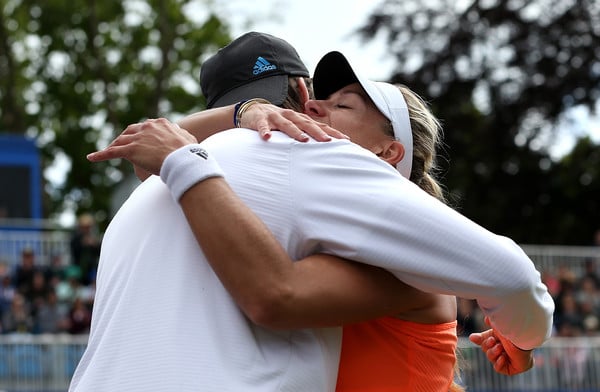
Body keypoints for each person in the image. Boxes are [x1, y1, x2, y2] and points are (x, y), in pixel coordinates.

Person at [75, 33, 552, 391]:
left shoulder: (175, 180)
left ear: (389, 154)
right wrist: (522, 333)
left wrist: (200, 144)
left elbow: (277, 292)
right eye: (316, 98)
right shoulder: (283, 160)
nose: (317, 109)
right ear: (299, 90)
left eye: (341, 104)